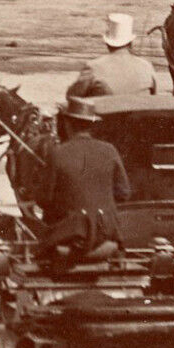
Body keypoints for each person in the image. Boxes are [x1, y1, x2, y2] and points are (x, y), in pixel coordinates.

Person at [37, 97, 131, 268]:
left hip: (68, 239)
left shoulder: (57, 153)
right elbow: (124, 193)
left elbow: (44, 199)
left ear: (67, 124)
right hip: (106, 237)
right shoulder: (110, 150)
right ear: (92, 125)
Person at [67, 14, 157, 100]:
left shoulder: (94, 67)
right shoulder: (146, 66)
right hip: (140, 114)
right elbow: (154, 95)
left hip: (106, 115)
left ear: (107, 44)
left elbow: (72, 96)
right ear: (131, 43)